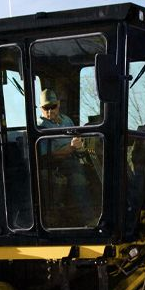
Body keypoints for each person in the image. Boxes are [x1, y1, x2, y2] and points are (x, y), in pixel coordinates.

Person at [37, 88, 95, 225]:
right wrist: (70, 148)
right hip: (55, 165)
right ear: (41, 109)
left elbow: (75, 138)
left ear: (58, 104)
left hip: (72, 158)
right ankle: (87, 218)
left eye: (53, 107)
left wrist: (79, 145)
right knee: (78, 177)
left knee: (93, 171)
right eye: (46, 108)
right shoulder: (40, 127)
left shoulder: (67, 121)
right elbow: (46, 156)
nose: (50, 111)